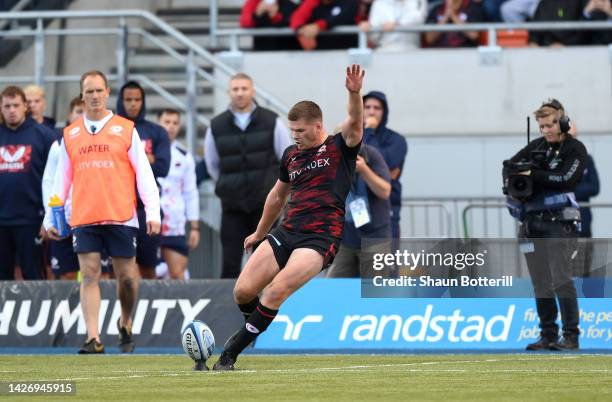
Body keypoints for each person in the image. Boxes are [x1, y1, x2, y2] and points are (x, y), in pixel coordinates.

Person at [212, 65, 365, 371]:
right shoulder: (291, 156)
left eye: (300, 131)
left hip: (320, 237)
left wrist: (354, 92)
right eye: (292, 130)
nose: (294, 136)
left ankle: (230, 353)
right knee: (242, 291)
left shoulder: (339, 146)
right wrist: (259, 233)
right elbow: (277, 196)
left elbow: (356, 120)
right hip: (288, 230)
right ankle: (255, 327)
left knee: (275, 290)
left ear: (318, 126)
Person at [44, 70, 161, 354]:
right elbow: (61, 180)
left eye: (99, 91)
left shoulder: (126, 129)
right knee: (90, 273)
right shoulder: (70, 134)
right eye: (89, 91)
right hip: (84, 215)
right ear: (82, 95)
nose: (94, 96)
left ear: (107, 92)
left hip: (121, 213)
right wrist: (51, 216)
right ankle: (93, 337)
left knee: (127, 277)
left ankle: (125, 320)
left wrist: (153, 212)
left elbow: (144, 174)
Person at [503, 99, 586, 351]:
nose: (547, 130)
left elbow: (565, 179)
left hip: (559, 224)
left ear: (562, 122)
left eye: (550, 124)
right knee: (540, 281)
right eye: (541, 126)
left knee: (561, 278)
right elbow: (509, 167)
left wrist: (533, 175)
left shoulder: (575, 149)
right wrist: (516, 181)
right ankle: (548, 334)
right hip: (530, 224)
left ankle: (571, 336)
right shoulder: (535, 147)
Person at [204, 73, 292, 279]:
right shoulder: (216, 125)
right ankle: (228, 309)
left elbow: (286, 158)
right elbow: (212, 165)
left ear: (252, 91)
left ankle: (267, 308)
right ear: (229, 93)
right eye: (235, 89)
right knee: (230, 264)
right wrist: (229, 186)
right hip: (232, 207)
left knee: (266, 264)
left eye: (244, 88)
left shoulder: (272, 121)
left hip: (265, 206)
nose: (240, 93)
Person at [116, 81, 170, 279]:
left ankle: (148, 308)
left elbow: (163, 167)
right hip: (118, 210)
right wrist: (147, 159)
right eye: (128, 100)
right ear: (120, 102)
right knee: (120, 269)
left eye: (137, 99)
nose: (133, 104)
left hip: (147, 209)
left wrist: (128, 160)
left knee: (148, 268)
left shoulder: (157, 132)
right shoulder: (112, 131)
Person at [0, 85, 55, 280]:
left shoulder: (45, 136)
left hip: (32, 220)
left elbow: (56, 180)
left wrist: (50, 218)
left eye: (16, 105)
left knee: (34, 277)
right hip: (1, 221)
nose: (11, 110)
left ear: (25, 106)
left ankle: (39, 312)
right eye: (7, 106)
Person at [326, 144, 391, 278]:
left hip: (375, 238)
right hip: (345, 239)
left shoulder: (372, 156)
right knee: (333, 286)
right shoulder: (331, 161)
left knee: (375, 290)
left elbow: (385, 191)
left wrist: (364, 170)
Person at [42, 96, 85, 280]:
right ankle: (68, 310)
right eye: (78, 111)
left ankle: (95, 310)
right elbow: (49, 182)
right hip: (63, 218)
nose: (82, 115)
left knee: (98, 274)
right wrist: (49, 218)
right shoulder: (58, 145)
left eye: (85, 111)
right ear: (70, 115)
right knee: (66, 276)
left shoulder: (104, 143)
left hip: (93, 219)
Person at [157, 108, 200, 280]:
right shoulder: (146, 152)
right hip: (149, 222)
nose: (171, 127)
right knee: (147, 274)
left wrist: (195, 227)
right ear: (158, 124)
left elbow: (191, 192)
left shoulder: (185, 157)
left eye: (175, 123)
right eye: (167, 122)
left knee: (178, 273)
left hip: (175, 223)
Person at [362, 91, 407, 241]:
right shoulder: (353, 137)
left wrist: (369, 131)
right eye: (367, 107)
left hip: (386, 212)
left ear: (384, 111)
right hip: (357, 211)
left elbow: (379, 161)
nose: (371, 111)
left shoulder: (396, 140)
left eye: (377, 107)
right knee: (355, 262)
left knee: (384, 263)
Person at [290, 0, 360, 50]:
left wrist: (318, 26)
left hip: (347, 50)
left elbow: (341, 17)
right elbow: (297, 17)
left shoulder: (349, 2)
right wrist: (301, 31)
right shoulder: (312, 2)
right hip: (321, 52)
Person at [363, 0, 428, 51]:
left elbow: (419, 19)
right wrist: (369, 29)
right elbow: (373, 39)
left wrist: (397, 24)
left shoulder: (419, 1)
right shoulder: (379, 3)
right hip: (384, 51)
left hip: (412, 50)